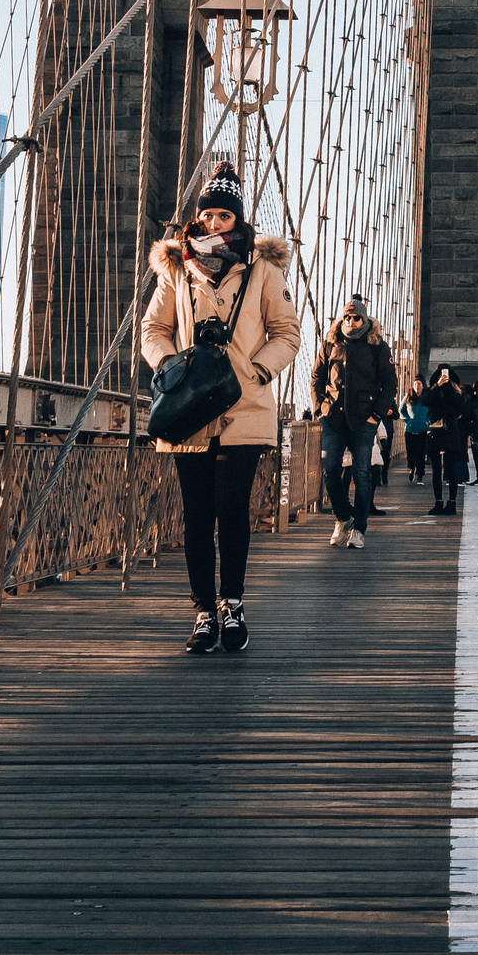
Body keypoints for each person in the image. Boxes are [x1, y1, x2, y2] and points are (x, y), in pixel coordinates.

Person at [140, 164, 299, 655]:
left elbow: (287, 334)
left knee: (232, 512)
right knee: (195, 515)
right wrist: (170, 368)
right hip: (189, 411)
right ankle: (203, 614)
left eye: (223, 215)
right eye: (207, 214)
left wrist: (257, 373)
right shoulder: (175, 271)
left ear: (237, 220)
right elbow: (152, 330)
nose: (214, 223)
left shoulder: (262, 271)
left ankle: (233, 607)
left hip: (245, 409)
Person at [311, 294, 397, 550]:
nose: (350, 321)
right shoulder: (330, 343)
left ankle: (358, 528)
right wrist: (320, 409)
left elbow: (389, 384)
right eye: (347, 317)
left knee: (361, 473)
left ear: (365, 319)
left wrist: (376, 415)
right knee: (329, 469)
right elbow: (317, 377)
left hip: (363, 420)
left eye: (355, 317)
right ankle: (342, 518)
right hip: (333, 417)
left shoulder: (377, 346)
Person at [423, 366, 470, 516]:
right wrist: (438, 385)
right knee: (436, 470)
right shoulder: (434, 389)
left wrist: (449, 388)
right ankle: (438, 502)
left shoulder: (455, 391)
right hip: (437, 433)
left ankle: (451, 503)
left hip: (448, 433)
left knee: (451, 470)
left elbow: (462, 408)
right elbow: (425, 401)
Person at [400, 378, 430, 482]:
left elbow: (431, 411)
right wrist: (407, 420)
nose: (417, 386)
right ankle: (411, 469)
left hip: (422, 430)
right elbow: (401, 410)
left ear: (423, 386)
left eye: (419, 384)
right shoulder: (408, 397)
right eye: (415, 384)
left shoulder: (426, 398)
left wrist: (428, 421)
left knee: (421, 452)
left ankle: (420, 473)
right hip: (410, 430)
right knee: (411, 452)